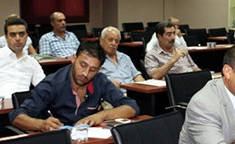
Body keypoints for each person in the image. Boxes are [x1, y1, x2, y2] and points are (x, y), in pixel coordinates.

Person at [10, 41, 139, 132]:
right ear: (74, 58)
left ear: (99, 69)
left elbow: (131, 107)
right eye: (83, 65)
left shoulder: (100, 80)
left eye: (93, 69)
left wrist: (101, 115)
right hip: (59, 143)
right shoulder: (52, 84)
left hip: (89, 141)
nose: (85, 73)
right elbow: (16, 116)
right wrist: (41, 124)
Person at [0, 17, 45, 98]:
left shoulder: (32, 62)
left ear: (27, 36)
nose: (18, 38)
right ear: (6, 37)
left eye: (21, 34)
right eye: (13, 35)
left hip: (23, 104)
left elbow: (44, 87)